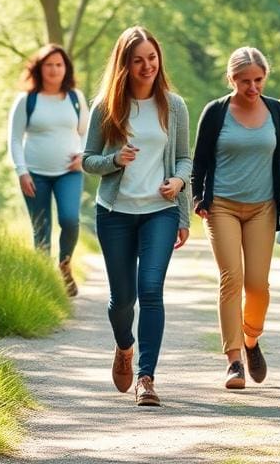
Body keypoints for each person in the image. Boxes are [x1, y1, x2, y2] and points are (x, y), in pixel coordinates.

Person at [82, 26, 191, 407]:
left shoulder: (173, 105)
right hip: (115, 213)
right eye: (138, 60)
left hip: (159, 212)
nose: (147, 66)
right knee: (122, 300)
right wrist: (115, 160)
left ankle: (146, 377)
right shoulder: (107, 107)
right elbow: (88, 161)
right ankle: (124, 347)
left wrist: (179, 186)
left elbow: (184, 157)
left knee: (150, 290)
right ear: (124, 64)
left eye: (152, 58)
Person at [192, 46, 280, 390]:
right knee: (231, 278)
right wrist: (197, 196)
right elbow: (200, 160)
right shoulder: (216, 112)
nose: (253, 88)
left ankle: (252, 339)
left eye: (258, 80)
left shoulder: (275, 111)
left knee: (258, 285)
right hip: (221, 205)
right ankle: (234, 360)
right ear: (231, 79)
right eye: (244, 81)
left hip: (262, 208)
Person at [8, 43, 89, 296]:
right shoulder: (27, 100)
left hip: (69, 173)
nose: (54, 70)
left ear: (66, 68)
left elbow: (87, 132)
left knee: (70, 220)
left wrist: (84, 157)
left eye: (59, 65)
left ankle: (65, 264)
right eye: (49, 65)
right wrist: (22, 171)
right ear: (39, 68)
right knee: (40, 231)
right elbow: (13, 138)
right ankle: (44, 287)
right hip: (35, 175)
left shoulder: (75, 97)